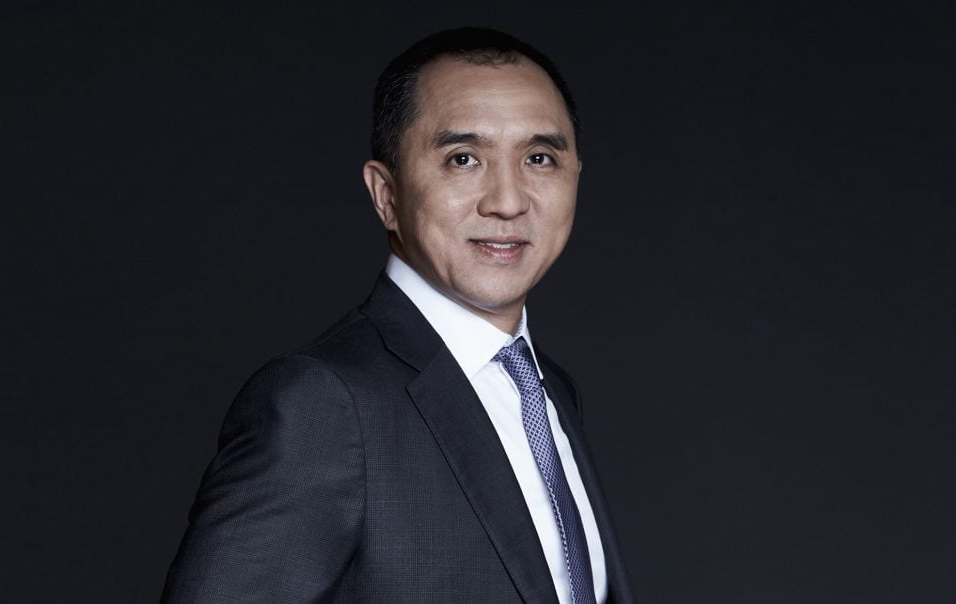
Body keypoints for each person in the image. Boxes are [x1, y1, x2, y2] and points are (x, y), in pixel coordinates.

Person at [161, 27, 634, 604]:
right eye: (463, 159)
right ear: (386, 193)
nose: (508, 201)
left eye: (539, 158)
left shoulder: (549, 391)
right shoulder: (324, 404)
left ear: (575, 177)